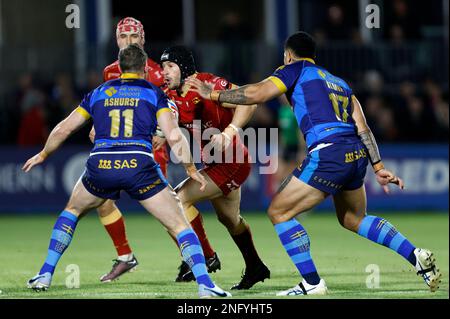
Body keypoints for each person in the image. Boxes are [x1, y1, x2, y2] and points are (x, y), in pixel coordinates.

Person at [187, 31, 441, 295]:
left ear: (287, 55)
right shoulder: (339, 83)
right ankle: (415, 255)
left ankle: (312, 282)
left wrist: (214, 95)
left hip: (329, 152)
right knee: (354, 218)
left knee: (279, 212)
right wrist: (377, 166)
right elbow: (363, 128)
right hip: (354, 153)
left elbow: (257, 93)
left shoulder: (294, 69)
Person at [23, 44, 231, 298]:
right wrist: (190, 167)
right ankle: (205, 285)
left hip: (101, 166)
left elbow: (64, 128)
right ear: (145, 68)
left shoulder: (98, 92)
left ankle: (45, 273)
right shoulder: (154, 94)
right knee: (179, 224)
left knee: (72, 211)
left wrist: (44, 154)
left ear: (119, 68)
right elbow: (174, 135)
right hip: (139, 166)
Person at [95, 17, 217, 283]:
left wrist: (161, 132)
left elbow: (172, 106)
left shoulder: (159, 73)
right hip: (118, 151)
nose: (129, 42)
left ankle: (202, 256)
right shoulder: (109, 72)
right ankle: (125, 256)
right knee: (102, 202)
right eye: (123, 37)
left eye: (134, 37)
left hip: (150, 153)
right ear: (117, 40)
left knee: (169, 215)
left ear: (143, 39)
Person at [161, 46, 270, 289]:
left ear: (185, 67)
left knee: (177, 200)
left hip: (232, 162)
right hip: (215, 163)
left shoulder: (209, 83)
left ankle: (204, 257)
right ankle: (255, 267)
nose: (165, 72)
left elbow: (249, 102)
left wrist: (230, 131)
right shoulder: (169, 94)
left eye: (170, 66)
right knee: (230, 220)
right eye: (163, 67)